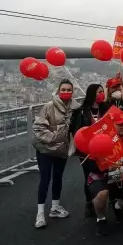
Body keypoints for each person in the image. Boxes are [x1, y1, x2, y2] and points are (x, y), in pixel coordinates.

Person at [32, 79, 78, 229]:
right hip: (45, 149)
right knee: (45, 179)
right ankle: (40, 213)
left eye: (68, 90)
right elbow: (38, 127)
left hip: (62, 150)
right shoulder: (49, 106)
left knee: (58, 177)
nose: (65, 92)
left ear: (73, 92)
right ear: (58, 91)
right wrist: (53, 139)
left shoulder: (74, 108)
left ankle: (55, 207)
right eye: (63, 90)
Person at [88, 112, 123, 236]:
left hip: (122, 177)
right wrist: (106, 168)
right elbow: (90, 166)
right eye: (119, 125)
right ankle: (101, 219)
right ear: (113, 125)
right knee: (102, 194)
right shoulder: (101, 139)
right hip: (101, 176)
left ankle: (117, 205)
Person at [70, 83, 108, 217]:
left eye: (102, 91)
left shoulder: (107, 108)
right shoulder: (81, 111)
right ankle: (89, 202)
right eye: (98, 92)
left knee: (105, 175)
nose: (101, 94)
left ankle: (103, 200)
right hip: (87, 152)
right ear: (92, 93)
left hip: (104, 149)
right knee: (89, 177)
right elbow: (76, 132)